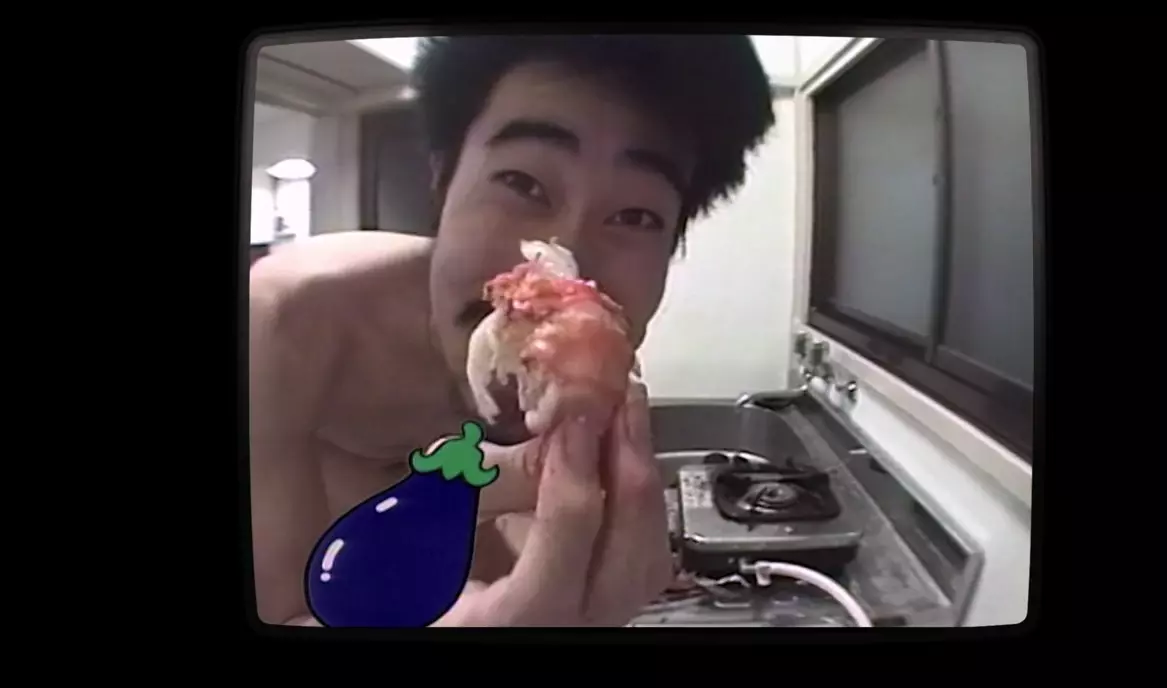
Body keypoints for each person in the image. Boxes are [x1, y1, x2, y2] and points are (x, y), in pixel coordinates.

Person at [250, 35, 776, 626]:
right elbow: (279, 611)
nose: (563, 259)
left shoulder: (593, 365)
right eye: (522, 183)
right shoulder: (288, 321)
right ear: (442, 179)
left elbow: (526, 531)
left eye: (635, 215)